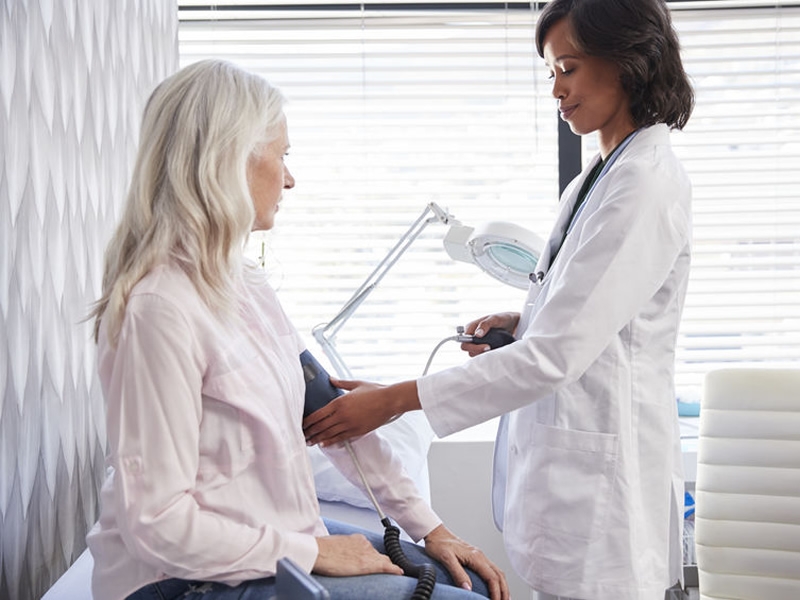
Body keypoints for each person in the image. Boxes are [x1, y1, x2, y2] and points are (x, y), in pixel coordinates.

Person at [303, 1, 695, 599]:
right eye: (550, 74)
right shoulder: (596, 178)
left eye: (568, 68)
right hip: (569, 476)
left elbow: (556, 356)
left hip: (603, 491)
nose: (556, 90)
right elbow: (592, 315)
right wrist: (526, 317)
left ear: (627, 62)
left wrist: (394, 402)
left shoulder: (644, 183)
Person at [86, 59, 509, 600]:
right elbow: (157, 524)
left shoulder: (245, 286)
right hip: (182, 580)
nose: (289, 177)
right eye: (282, 155)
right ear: (229, 159)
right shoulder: (158, 309)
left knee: (466, 579)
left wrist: (433, 529)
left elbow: (329, 416)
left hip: (274, 542)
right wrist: (315, 552)